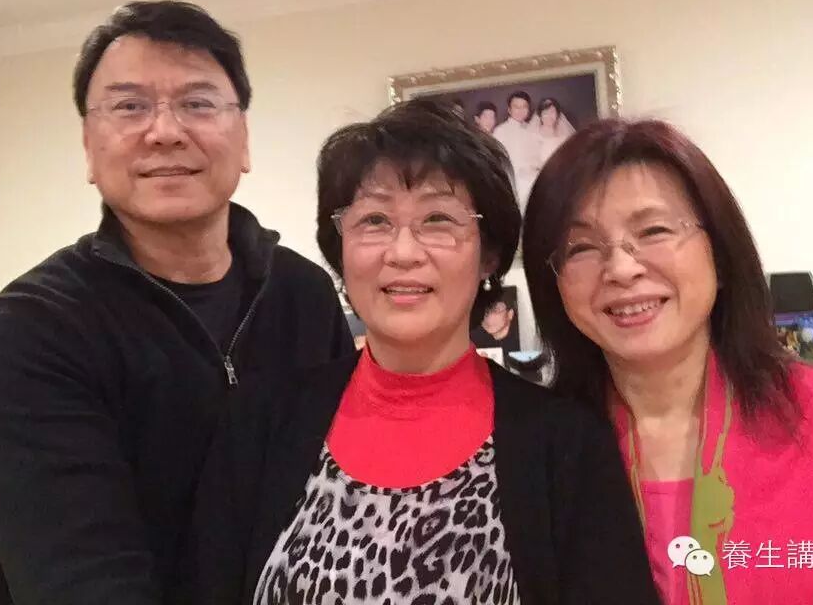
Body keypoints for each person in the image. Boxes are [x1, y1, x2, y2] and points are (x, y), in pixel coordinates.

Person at [0, 1, 354, 605]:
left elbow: (343, 502)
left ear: (244, 140)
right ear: (89, 147)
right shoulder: (36, 324)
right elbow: (80, 583)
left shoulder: (303, 291)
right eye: (129, 107)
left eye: (198, 103)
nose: (166, 131)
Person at [244, 101, 660, 604]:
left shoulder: (565, 444)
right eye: (374, 220)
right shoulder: (258, 425)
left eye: (438, 219)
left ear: (489, 255)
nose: (402, 252)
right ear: (340, 248)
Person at [522, 118, 813, 604]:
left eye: (653, 230)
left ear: (720, 252)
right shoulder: (540, 450)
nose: (621, 268)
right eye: (581, 247)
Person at [493, 90, 540, 208]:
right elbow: (498, 160)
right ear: (509, 110)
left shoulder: (532, 129)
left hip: (532, 180)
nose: (520, 110)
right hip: (512, 183)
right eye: (516, 107)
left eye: (524, 107)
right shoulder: (501, 131)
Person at [536, 97, 577, 165]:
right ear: (540, 115)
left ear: (557, 114)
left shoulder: (565, 134)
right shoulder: (535, 135)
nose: (549, 116)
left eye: (552, 112)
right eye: (545, 113)